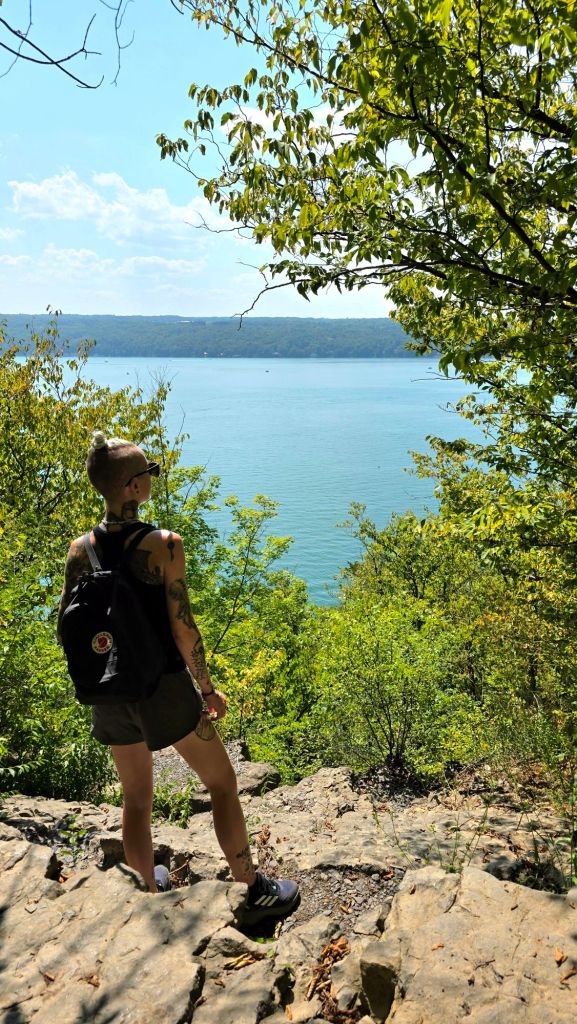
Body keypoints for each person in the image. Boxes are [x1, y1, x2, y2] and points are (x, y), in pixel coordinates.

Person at [57, 431, 299, 921]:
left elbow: (65, 626)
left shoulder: (79, 550)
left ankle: (147, 888)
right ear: (130, 487)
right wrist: (207, 689)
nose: (152, 479)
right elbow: (183, 629)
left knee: (136, 798)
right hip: (163, 688)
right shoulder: (164, 545)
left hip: (109, 688)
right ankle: (252, 891)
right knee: (223, 782)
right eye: (149, 472)